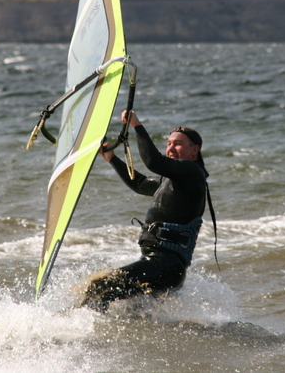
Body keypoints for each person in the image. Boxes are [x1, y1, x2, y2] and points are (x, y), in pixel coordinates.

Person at [79, 110, 212, 312]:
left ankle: (79, 332)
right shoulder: (172, 181)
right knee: (130, 313)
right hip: (156, 265)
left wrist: (136, 126)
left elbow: (154, 162)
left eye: (177, 144)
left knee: (99, 287)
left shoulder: (192, 173)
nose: (171, 148)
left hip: (165, 266)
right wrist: (112, 158)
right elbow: (140, 184)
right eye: (168, 144)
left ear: (194, 151)